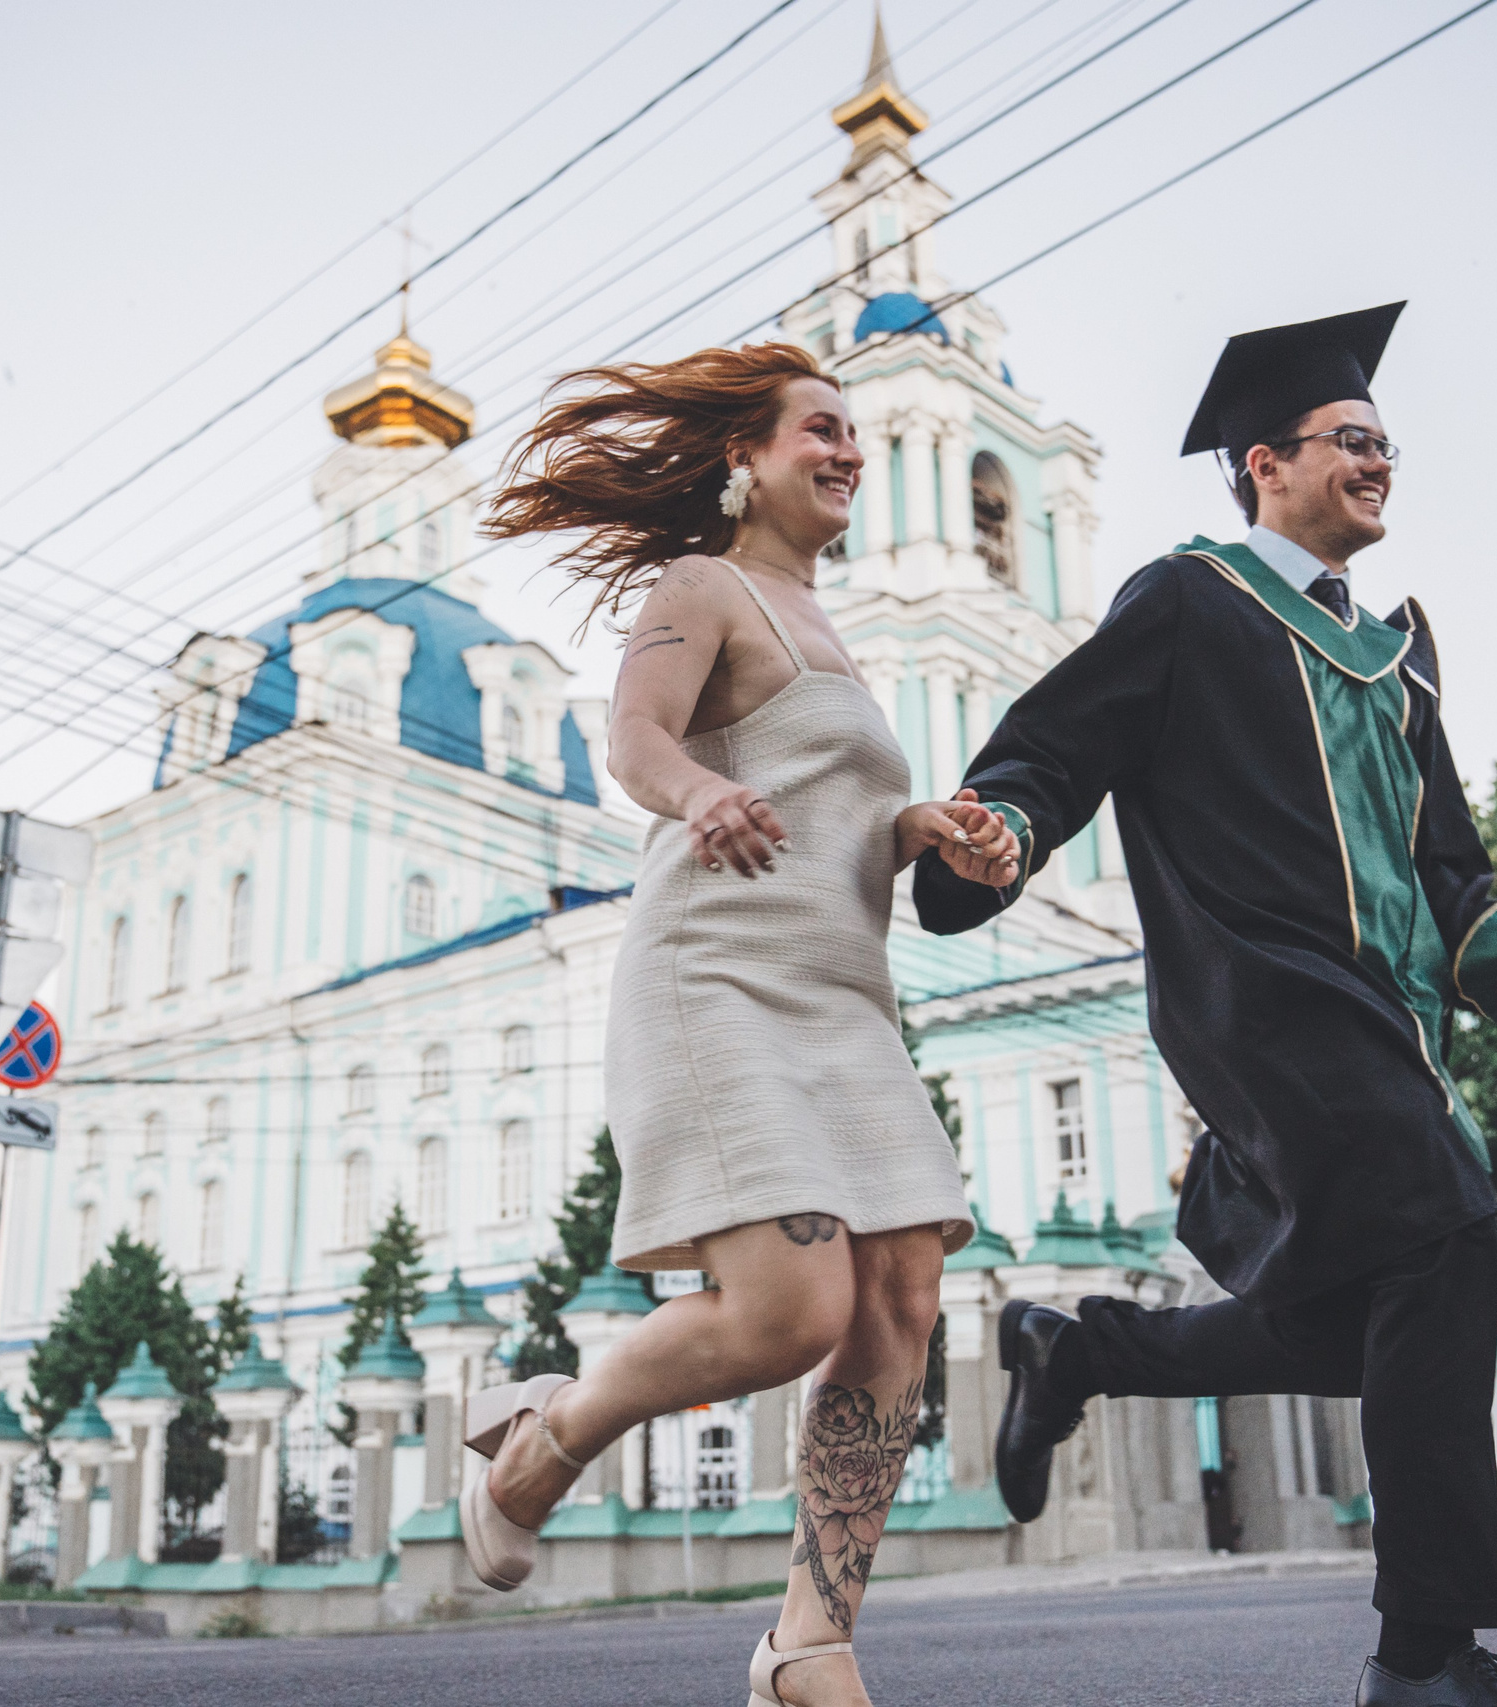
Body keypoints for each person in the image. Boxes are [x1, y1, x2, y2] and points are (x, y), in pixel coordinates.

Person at [915, 304, 1497, 1707]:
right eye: (1350, 439)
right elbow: (1053, 749)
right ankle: (1423, 1658)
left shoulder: (1398, 658)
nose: (1378, 460)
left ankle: (1079, 1348)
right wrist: (1000, 832)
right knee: (1451, 1233)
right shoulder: (1191, 600)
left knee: (1368, 1322)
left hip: (1391, 1028)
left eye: (1386, 443)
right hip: (1265, 1007)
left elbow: (1447, 863)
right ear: (1264, 462)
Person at [465, 342, 1020, 1707]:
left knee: (903, 1296)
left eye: (855, 436)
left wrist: (921, 826)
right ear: (745, 458)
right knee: (788, 1309)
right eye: (818, 429)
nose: (847, 452)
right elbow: (636, 738)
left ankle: (807, 1642)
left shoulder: (837, 633)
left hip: (847, 1005)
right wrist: (693, 793)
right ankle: (547, 1437)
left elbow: (830, 810)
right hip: (715, 980)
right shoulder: (700, 586)